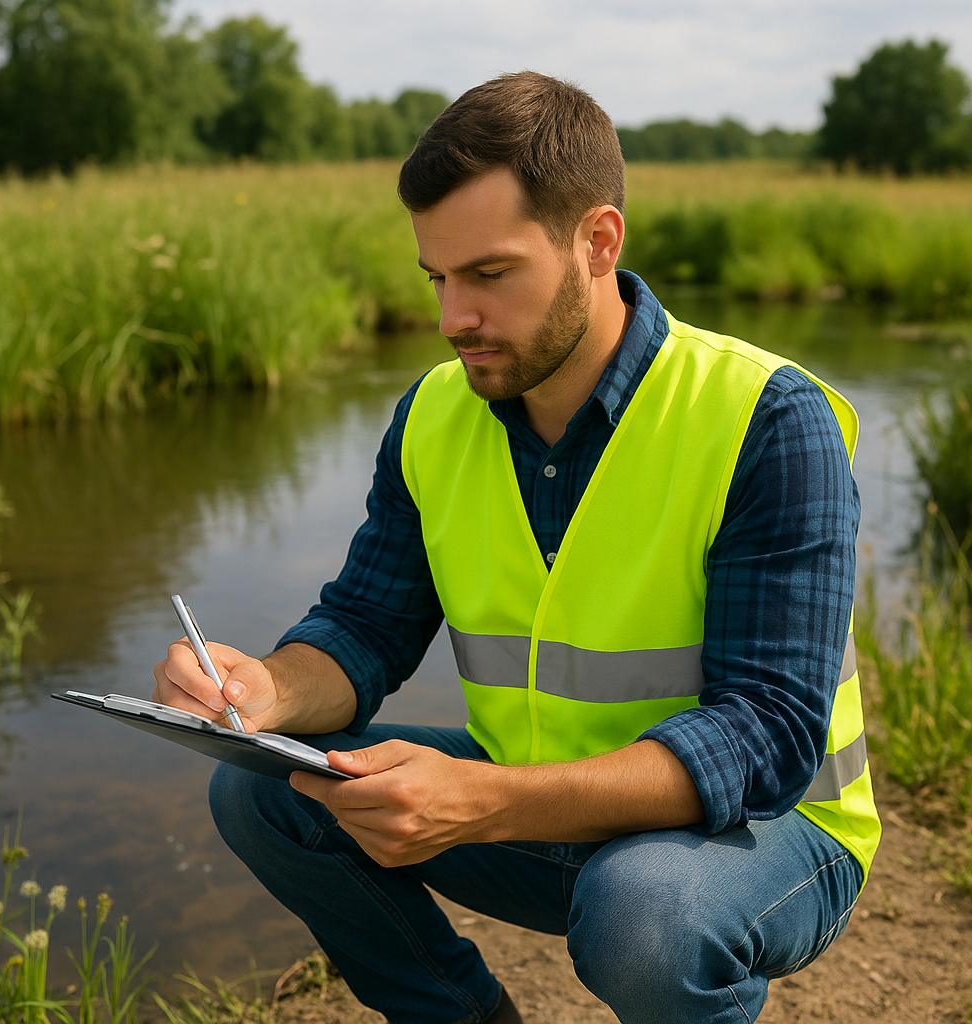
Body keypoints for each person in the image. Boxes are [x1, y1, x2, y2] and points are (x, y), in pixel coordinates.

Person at [154, 71, 880, 1024]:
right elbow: (368, 625)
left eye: (489, 274)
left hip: (764, 834)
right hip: (539, 808)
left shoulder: (765, 417)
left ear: (597, 243)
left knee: (645, 913)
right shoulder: (434, 413)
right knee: (267, 789)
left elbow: (770, 734)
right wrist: (265, 692)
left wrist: (489, 800)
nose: (454, 317)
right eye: (439, 279)